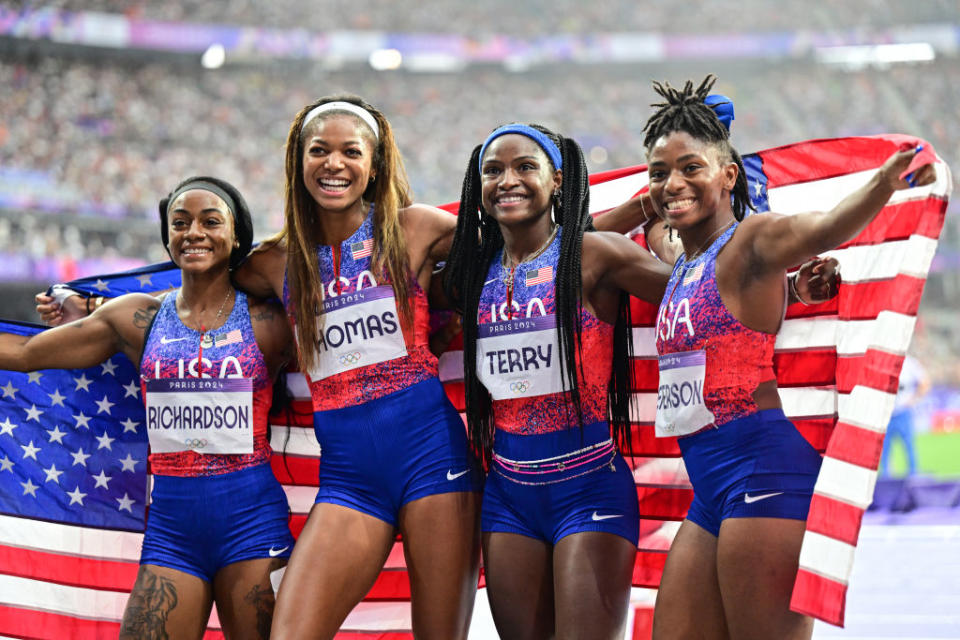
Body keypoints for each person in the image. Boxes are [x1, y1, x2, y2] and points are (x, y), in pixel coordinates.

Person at [642, 76, 936, 640]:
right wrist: (796, 290)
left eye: (691, 168)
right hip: (710, 485)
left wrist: (883, 181)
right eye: (660, 172)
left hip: (764, 471)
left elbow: (822, 227)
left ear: (730, 176)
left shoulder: (752, 240)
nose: (673, 184)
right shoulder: (682, 256)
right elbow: (654, 222)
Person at [230, 96, 482, 639]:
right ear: (299, 163)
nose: (334, 163)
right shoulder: (274, 263)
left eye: (351, 151)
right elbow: (196, 282)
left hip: (434, 461)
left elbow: (534, 247)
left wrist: (634, 214)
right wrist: (96, 307)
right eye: (318, 150)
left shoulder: (415, 228)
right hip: (350, 480)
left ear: (374, 166)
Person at [1, 176, 296, 639]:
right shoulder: (135, 319)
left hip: (254, 528)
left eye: (210, 221)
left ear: (237, 236)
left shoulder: (270, 321)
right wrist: (91, 305)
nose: (193, 231)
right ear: (168, 238)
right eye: (180, 222)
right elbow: (24, 354)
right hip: (172, 535)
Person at [441, 122, 678, 639]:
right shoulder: (470, 271)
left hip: (589, 487)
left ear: (557, 181)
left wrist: (792, 285)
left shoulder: (596, 255)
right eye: (493, 170)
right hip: (507, 497)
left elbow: (698, 291)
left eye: (526, 167)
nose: (508, 180)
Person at [880, 354, 930, 476]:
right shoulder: (883, 361)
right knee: (884, 449)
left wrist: (914, 400)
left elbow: (925, 382)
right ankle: (887, 478)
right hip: (886, 413)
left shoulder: (910, 363)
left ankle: (914, 476)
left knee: (909, 446)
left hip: (903, 412)